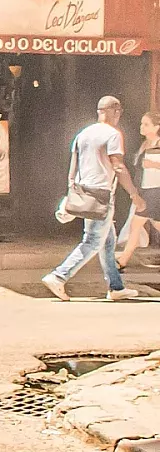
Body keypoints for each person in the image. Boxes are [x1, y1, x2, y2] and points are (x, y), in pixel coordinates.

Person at [43, 96, 146, 302]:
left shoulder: (84, 133)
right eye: (119, 113)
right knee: (92, 241)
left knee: (108, 242)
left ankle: (116, 287)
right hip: (101, 194)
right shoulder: (113, 134)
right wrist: (134, 194)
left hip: (84, 190)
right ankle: (59, 276)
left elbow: (73, 166)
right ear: (115, 112)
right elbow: (118, 166)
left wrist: (72, 189)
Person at [119, 111, 160, 270]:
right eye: (142, 123)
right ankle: (122, 260)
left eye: (146, 124)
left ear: (156, 127)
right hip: (146, 189)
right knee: (154, 223)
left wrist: (154, 165)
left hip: (155, 190)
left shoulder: (158, 144)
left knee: (136, 224)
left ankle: (122, 261)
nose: (141, 127)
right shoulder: (145, 144)